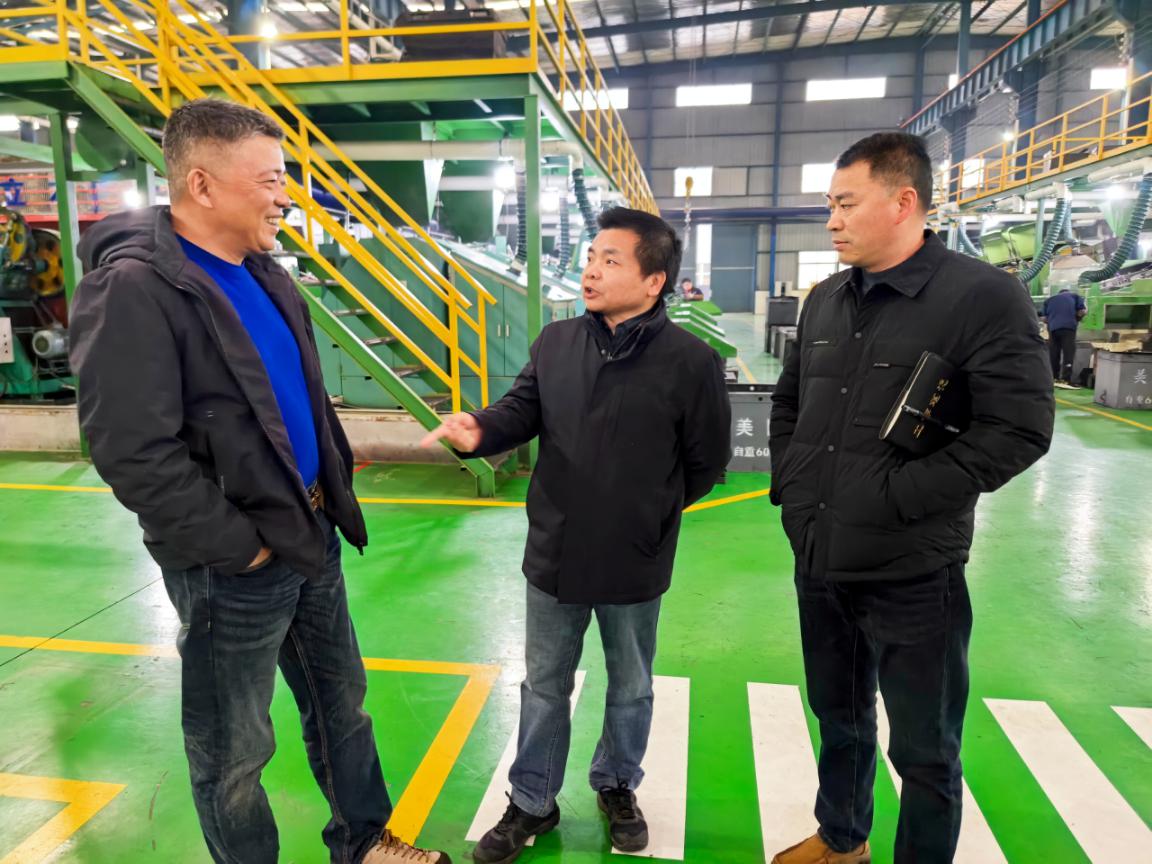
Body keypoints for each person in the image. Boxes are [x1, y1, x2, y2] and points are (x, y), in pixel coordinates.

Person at [69, 98, 448, 864]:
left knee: (342, 707)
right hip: (233, 564)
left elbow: (298, 401)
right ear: (202, 185)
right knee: (234, 748)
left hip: (309, 532)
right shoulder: (135, 289)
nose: (285, 197)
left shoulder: (266, 274)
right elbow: (131, 449)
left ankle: (363, 841)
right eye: (271, 180)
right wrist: (237, 546)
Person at [768, 132, 1053, 864]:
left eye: (845, 204)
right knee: (839, 717)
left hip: (914, 570)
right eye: (829, 205)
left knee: (925, 750)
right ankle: (842, 841)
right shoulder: (826, 299)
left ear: (904, 203)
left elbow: (1018, 429)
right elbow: (790, 404)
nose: (831, 220)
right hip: (821, 555)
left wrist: (895, 499)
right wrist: (794, 490)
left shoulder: (982, 297)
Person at [422, 207, 731, 863]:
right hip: (555, 552)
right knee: (543, 685)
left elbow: (706, 461)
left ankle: (617, 785)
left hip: (635, 557)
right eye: (591, 256)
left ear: (653, 280)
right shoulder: (556, 342)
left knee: (631, 685)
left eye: (610, 260)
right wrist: (481, 428)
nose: (591, 270)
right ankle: (532, 800)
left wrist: (650, 513)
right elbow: (521, 410)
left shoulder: (691, 362)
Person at [1041, 287, 1087, 387]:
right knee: (1068, 354)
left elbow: (1044, 318)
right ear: (1068, 292)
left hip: (1053, 329)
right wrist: (1077, 318)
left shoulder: (1049, 300)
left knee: (1054, 354)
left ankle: (1053, 378)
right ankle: (1066, 379)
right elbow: (1082, 311)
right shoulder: (1075, 296)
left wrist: (1054, 321)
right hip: (1068, 328)